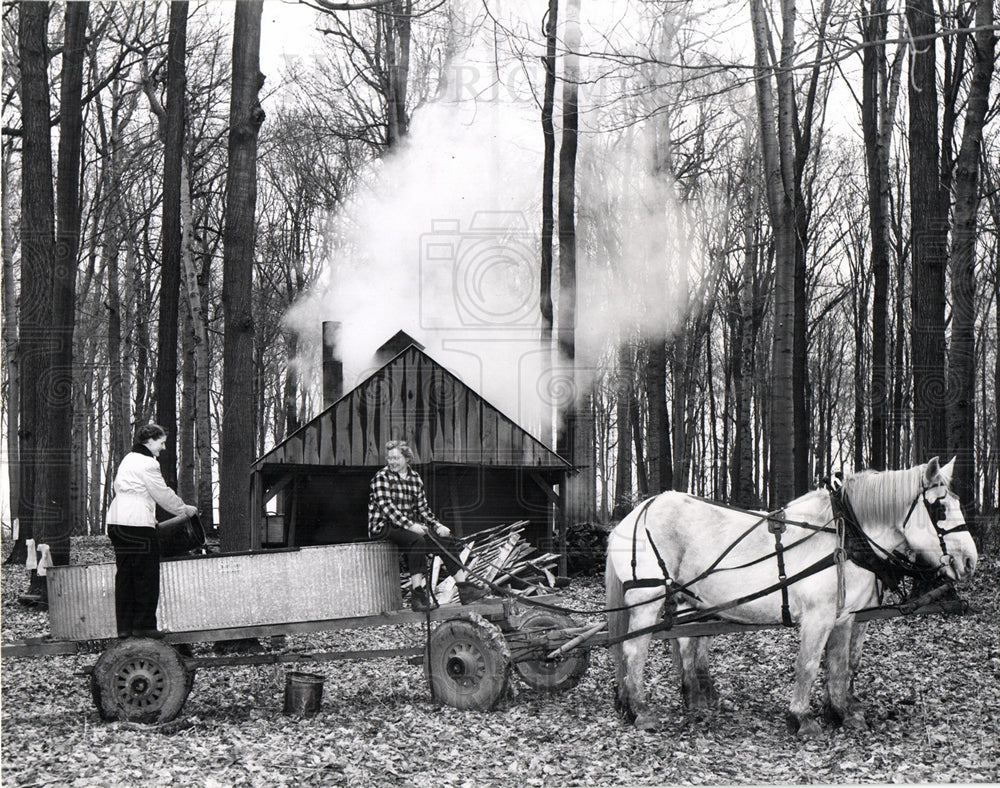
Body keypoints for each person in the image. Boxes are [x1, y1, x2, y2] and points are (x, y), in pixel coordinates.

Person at [368, 440, 486, 611]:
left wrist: (437, 526)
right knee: (417, 541)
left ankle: (464, 589)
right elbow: (388, 509)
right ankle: (417, 596)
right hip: (383, 526)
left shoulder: (415, 478)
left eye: (397, 458)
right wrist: (411, 526)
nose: (392, 462)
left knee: (445, 541)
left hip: (405, 527)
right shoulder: (381, 478)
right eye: (390, 458)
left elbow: (422, 509)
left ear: (407, 458)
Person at [106, 424, 197, 638]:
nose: (163, 447)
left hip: (117, 521)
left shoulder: (128, 459)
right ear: (149, 441)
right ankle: (144, 625)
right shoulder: (148, 464)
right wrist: (185, 510)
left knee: (125, 575)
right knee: (146, 574)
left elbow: (136, 492)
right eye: (161, 442)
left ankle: (125, 628)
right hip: (136, 524)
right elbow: (162, 494)